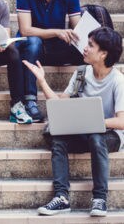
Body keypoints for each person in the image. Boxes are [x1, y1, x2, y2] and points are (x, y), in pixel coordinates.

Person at [23, 27, 124, 217]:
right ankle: (61, 198)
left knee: (96, 137)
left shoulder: (118, 81)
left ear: (103, 54)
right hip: (83, 131)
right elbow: (59, 104)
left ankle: (100, 198)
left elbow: (122, 122)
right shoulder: (81, 74)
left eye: (91, 46)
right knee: (58, 138)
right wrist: (42, 81)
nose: (85, 48)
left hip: (110, 136)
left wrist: (95, 122)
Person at [15, 0, 85, 121]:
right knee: (33, 42)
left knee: (87, 49)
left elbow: (78, 28)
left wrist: (77, 35)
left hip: (56, 47)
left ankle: (77, 94)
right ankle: (30, 100)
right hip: (31, 48)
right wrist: (57, 31)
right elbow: (25, 30)